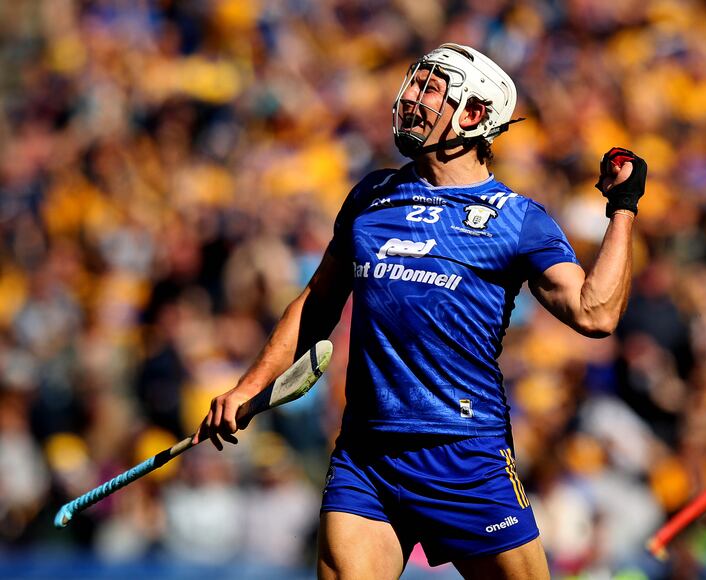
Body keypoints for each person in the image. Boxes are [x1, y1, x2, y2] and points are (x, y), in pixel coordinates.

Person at [193, 42, 646, 579]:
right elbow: (316, 304)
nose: (410, 97)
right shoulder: (371, 196)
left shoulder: (517, 220)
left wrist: (622, 209)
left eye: (430, 88)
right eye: (413, 83)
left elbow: (596, 314)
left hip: (463, 454)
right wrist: (248, 388)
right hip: (367, 453)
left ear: (474, 115)